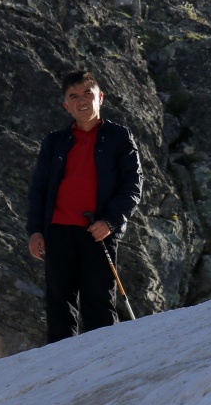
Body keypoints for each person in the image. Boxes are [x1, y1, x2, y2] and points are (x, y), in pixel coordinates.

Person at [26, 69, 143, 342]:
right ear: (66, 106)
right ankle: (61, 370)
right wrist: (35, 231)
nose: (82, 100)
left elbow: (132, 186)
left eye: (87, 93)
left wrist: (111, 221)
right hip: (56, 232)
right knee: (59, 304)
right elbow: (39, 189)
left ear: (100, 97)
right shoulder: (54, 142)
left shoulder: (119, 137)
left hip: (98, 231)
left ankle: (102, 363)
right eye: (73, 96)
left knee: (99, 302)